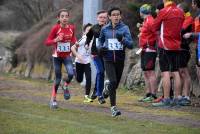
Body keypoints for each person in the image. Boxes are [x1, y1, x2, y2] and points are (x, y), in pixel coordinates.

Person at [98, 7, 134, 116]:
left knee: (115, 84)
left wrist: (122, 39)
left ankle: (107, 87)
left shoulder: (124, 28)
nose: (116, 16)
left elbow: (131, 45)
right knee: (113, 81)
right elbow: (100, 40)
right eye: (113, 15)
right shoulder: (105, 29)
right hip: (107, 59)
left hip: (119, 59)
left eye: (118, 14)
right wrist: (100, 48)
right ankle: (113, 108)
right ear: (109, 17)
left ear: (120, 16)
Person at [152, 0, 184, 107]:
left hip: (165, 44)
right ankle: (178, 98)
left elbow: (154, 26)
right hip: (177, 44)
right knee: (175, 71)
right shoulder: (180, 11)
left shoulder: (164, 11)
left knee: (165, 72)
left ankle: (166, 99)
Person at [45, 9, 77, 109]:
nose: (64, 18)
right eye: (62, 16)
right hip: (57, 57)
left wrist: (77, 44)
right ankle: (53, 99)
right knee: (58, 79)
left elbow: (73, 39)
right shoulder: (55, 28)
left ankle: (65, 86)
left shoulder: (72, 28)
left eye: (66, 16)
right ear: (58, 18)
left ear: (68, 18)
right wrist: (56, 39)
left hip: (67, 56)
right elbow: (47, 42)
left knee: (71, 74)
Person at [85, 10, 108, 104]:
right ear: (97, 18)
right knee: (100, 71)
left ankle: (95, 91)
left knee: (100, 73)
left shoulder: (110, 28)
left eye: (104, 17)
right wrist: (87, 44)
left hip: (106, 54)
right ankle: (100, 95)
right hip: (96, 54)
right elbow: (88, 37)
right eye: (101, 17)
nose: (102, 19)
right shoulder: (94, 28)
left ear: (107, 18)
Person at [137, 4, 158, 103]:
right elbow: (148, 33)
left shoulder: (150, 21)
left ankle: (153, 95)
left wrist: (152, 43)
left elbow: (156, 33)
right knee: (145, 72)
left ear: (142, 12)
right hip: (144, 49)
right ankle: (148, 93)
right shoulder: (146, 21)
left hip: (150, 49)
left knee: (150, 72)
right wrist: (142, 33)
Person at [71, 23, 93, 103]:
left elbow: (91, 50)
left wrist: (93, 55)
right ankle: (74, 70)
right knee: (79, 80)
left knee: (89, 78)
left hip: (87, 62)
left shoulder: (92, 40)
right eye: (88, 30)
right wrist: (78, 55)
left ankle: (86, 97)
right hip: (79, 62)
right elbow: (72, 48)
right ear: (84, 32)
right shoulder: (83, 39)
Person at [177, 2, 194, 106]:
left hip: (184, 48)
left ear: (182, 11)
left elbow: (180, 30)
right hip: (179, 47)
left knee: (184, 72)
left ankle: (186, 96)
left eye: (178, 10)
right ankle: (181, 96)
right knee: (180, 72)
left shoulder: (189, 19)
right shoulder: (183, 19)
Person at [184, 0, 200, 86]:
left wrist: (191, 34)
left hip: (198, 44)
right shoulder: (196, 15)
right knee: (197, 68)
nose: (191, 5)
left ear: (196, 4)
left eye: (192, 3)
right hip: (197, 45)